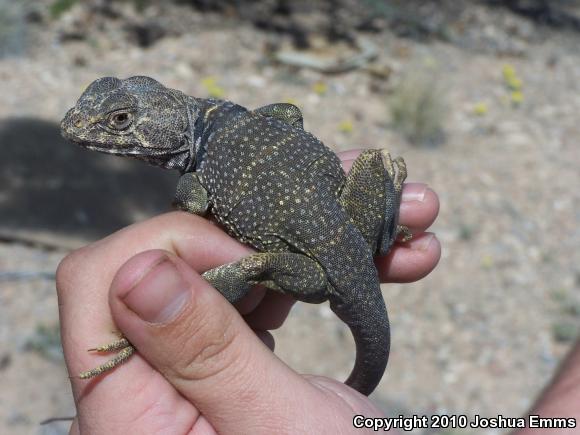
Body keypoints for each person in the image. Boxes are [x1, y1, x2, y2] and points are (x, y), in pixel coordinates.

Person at [56, 150, 441, 434]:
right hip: (348, 240)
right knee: (376, 161)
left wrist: (176, 324)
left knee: (252, 265)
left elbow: (190, 204)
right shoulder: (227, 121)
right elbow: (287, 112)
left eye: (123, 123)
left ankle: (145, 333)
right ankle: (386, 236)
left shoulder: (196, 177)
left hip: (326, 268)